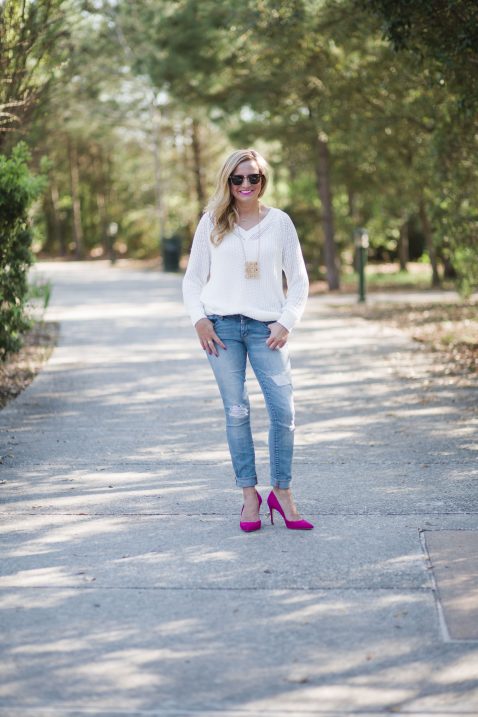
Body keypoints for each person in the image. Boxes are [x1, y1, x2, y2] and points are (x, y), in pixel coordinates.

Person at [182, 148, 313, 532]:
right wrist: (199, 320)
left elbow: (300, 279)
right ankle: (249, 496)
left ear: (262, 181)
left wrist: (287, 321)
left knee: (284, 413)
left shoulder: (281, 223)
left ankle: (282, 492)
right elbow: (192, 280)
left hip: (267, 331)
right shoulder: (211, 223)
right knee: (236, 412)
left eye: (252, 178)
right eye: (237, 178)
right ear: (227, 181)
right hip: (221, 330)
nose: (244, 185)